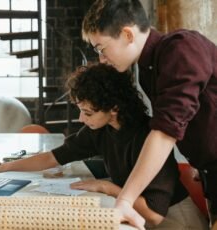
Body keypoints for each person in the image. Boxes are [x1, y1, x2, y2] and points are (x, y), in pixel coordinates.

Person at [0, 64, 208, 229]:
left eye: (87, 112)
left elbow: (155, 215)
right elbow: (53, 157)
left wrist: (107, 187)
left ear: (114, 108)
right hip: (136, 215)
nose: (80, 118)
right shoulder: (100, 130)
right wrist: (4, 167)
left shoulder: (145, 136)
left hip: (175, 221)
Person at [81, 0, 217, 229]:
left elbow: (166, 131)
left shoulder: (181, 48)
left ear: (127, 34)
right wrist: (200, 158)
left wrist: (125, 199)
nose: (102, 59)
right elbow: (190, 116)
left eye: (102, 49)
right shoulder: (149, 68)